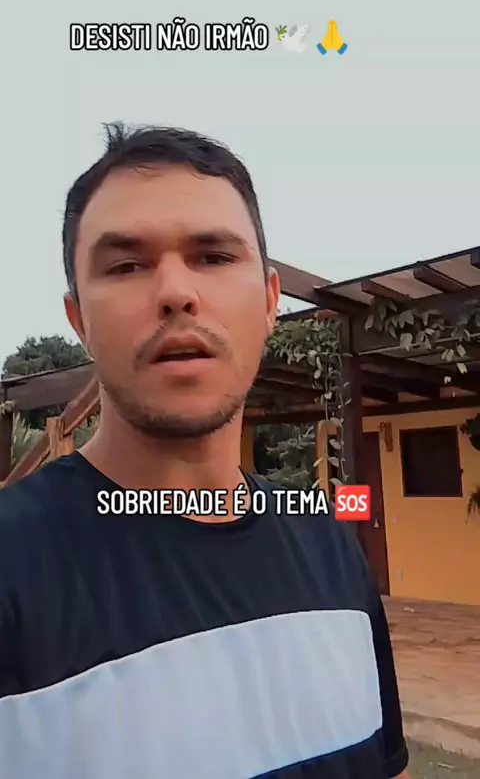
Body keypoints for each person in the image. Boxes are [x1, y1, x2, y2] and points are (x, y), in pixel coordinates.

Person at [0, 123, 410, 779]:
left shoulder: (331, 552)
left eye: (214, 256)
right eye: (126, 265)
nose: (176, 292)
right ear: (79, 321)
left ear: (270, 301)